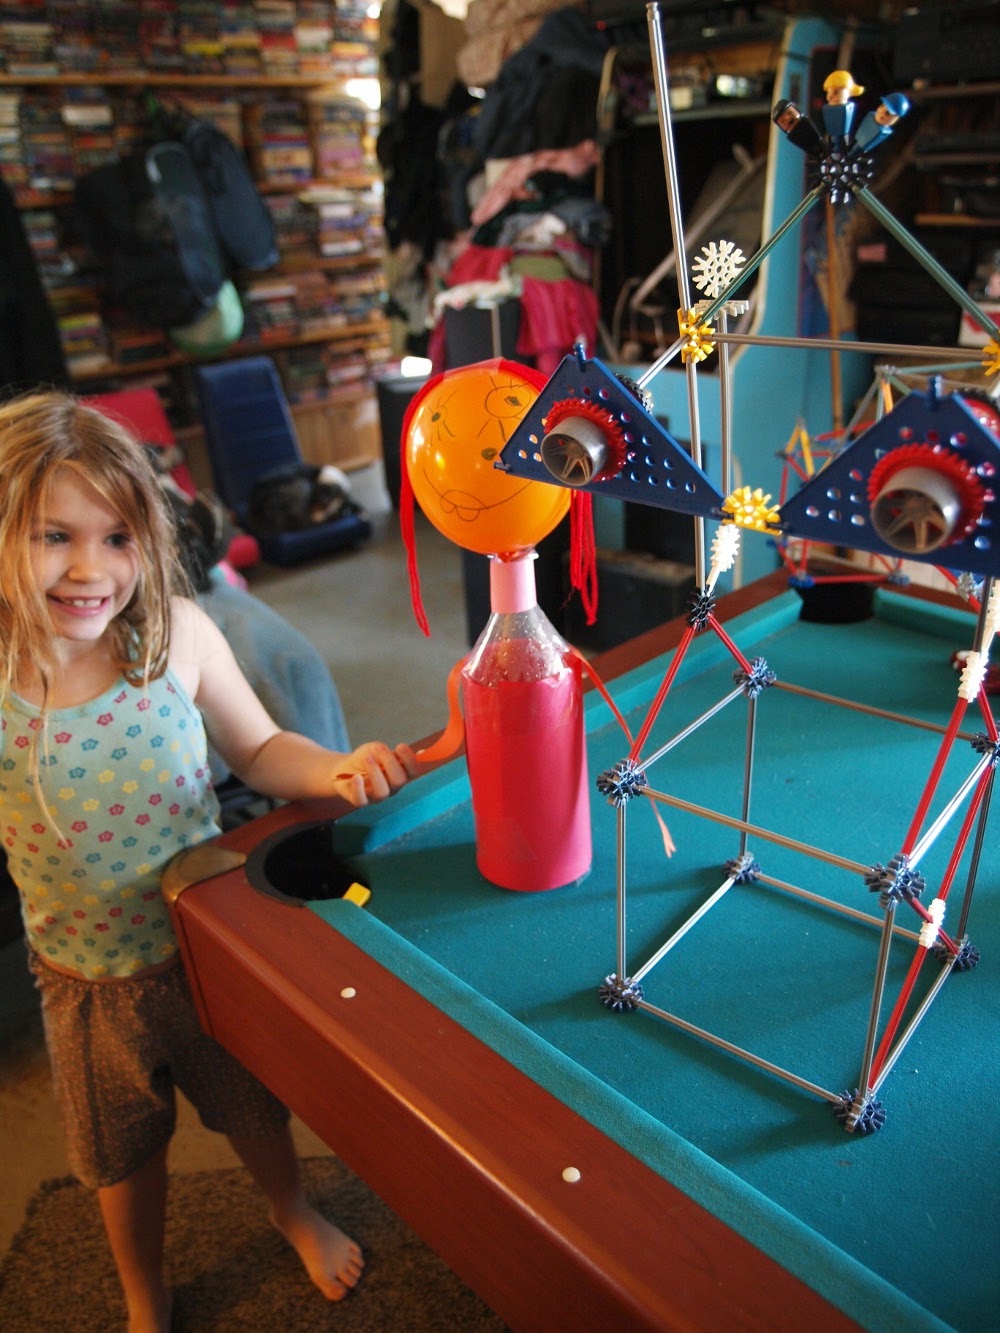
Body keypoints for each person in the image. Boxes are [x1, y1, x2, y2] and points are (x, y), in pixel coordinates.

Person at [0, 390, 419, 1331]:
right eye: (53, 536)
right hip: (84, 982)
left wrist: (336, 767)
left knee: (256, 1110)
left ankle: (291, 1207)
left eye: (117, 537)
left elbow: (261, 750)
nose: (89, 568)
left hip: (211, 945)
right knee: (121, 1157)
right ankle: (142, 1291)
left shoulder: (176, 635)